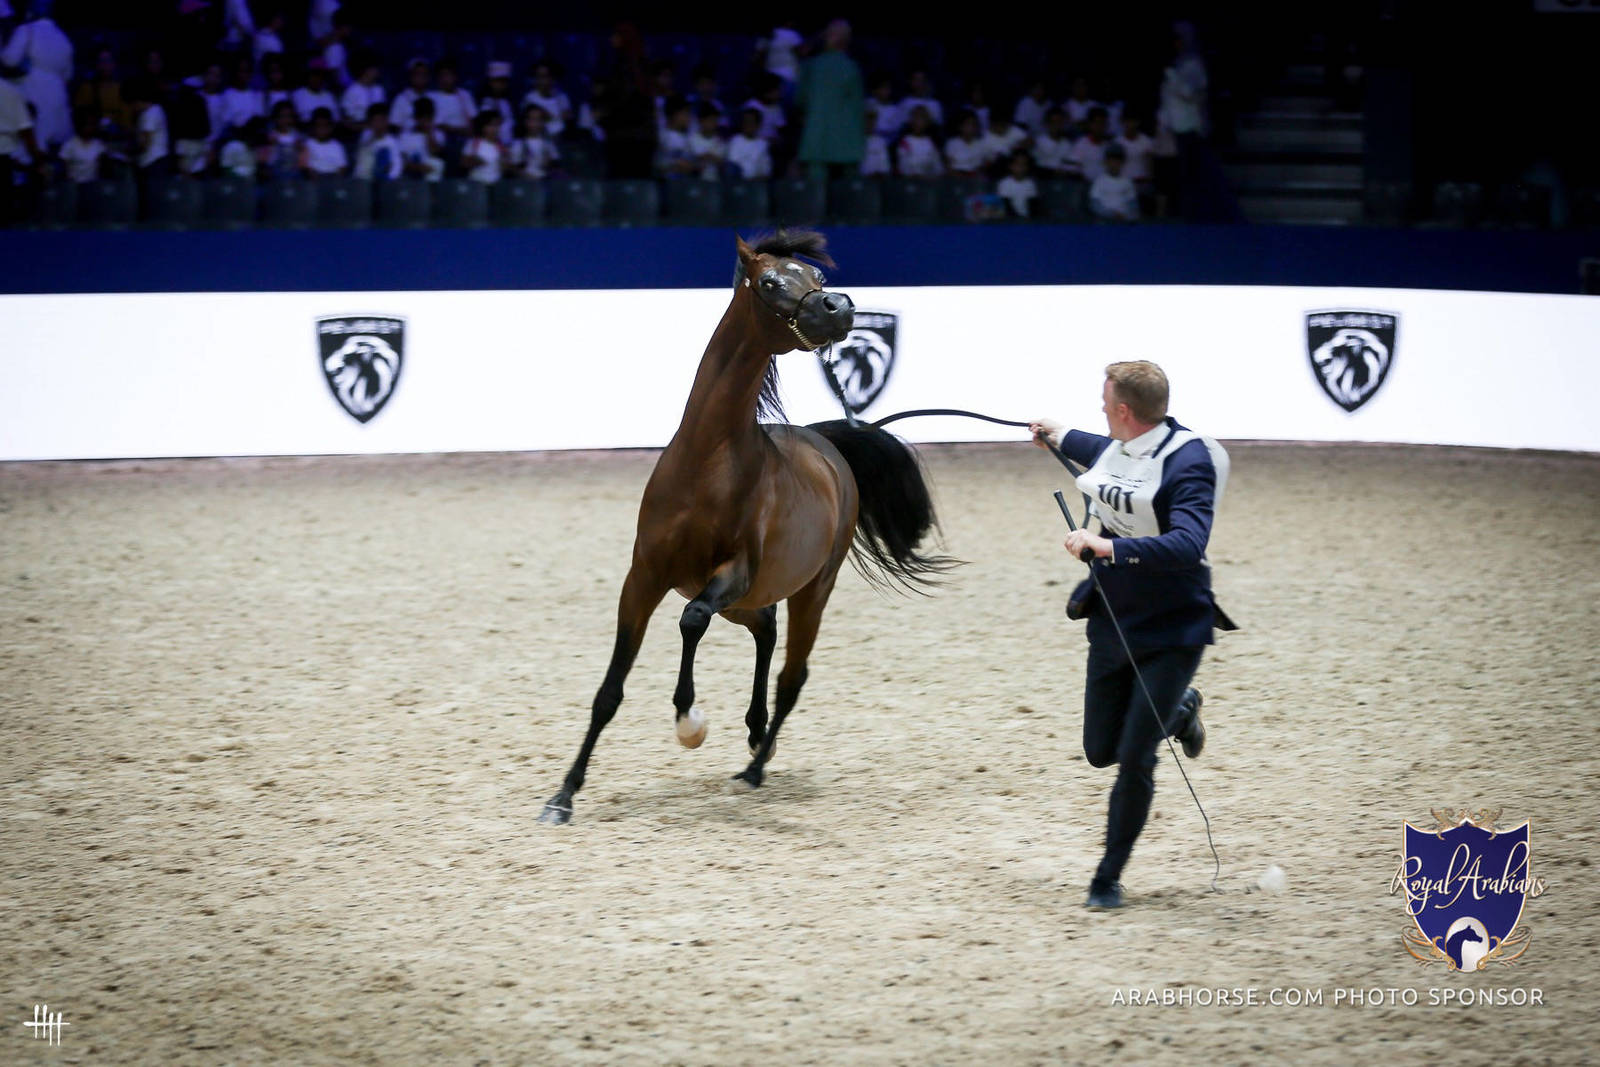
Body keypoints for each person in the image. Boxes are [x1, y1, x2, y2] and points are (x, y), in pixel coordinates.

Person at [1028, 362, 1230, 911]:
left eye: (1105, 402)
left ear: (1123, 410)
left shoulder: (1190, 461)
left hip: (1172, 626)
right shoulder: (1127, 440)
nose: (1099, 410)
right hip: (1113, 617)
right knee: (1101, 751)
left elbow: (1189, 543)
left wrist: (1106, 548)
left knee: (1137, 755)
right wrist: (1057, 433)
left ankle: (1107, 878)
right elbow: (1104, 452)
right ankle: (1180, 712)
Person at [794, 19, 862, 184]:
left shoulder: (810, 67)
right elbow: (858, 108)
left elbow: (799, 101)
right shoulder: (852, 68)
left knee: (816, 193)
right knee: (849, 193)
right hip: (847, 141)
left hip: (816, 138)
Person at [507, 103, 558, 179]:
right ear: (525, 122)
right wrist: (529, 177)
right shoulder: (518, 144)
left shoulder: (548, 143)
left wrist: (549, 164)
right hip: (526, 184)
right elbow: (514, 169)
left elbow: (554, 164)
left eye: (539, 120)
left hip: (546, 182)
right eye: (533, 120)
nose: (536, 124)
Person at [1089, 142, 1138, 221]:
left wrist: (1127, 216)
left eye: (1117, 161)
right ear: (1106, 162)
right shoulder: (1099, 181)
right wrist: (1111, 215)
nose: (1114, 164)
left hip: (1124, 223)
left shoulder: (1127, 182)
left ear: (1122, 162)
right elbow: (1094, 206)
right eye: (1111, 160)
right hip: (1104, 223)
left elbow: (1133, 206)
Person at [58, 106, 107, 183]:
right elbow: (63, 167)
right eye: (88, 125)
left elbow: (102, 167)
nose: (91, 128)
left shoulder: (98, 145)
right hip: (75, 186)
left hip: (93, 184)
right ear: (79, 126)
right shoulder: (69, 145)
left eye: (93, 125)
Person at [353, 101, 399, 180]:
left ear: (386, 121)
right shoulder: (365, 136)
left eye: (381, 120)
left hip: (385, 183)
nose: (378, 124)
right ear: (370, 122)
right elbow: (360, 166)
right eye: (375, 120)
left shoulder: (392, 141)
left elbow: (396, 167)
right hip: (364, 182)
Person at [894, 104, 942, 178]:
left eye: (922, 119)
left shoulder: (930, 142)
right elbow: (903, 164)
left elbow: (937, 166)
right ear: (911, 121)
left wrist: (931, 176)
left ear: (927, 122)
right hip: (910, 180)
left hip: (928, 181)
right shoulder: (905, 141)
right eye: (915, 118)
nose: (918, 122)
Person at [299, 105, 346, 175]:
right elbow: (304, 166)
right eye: (319, 126)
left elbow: (342, 168)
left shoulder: (337, 146)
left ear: (331, 127)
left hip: (333, 179)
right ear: (313, 127)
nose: (322, 130)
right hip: (314, 179)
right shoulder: (307, 144)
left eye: (325, 126)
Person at [725, 106, 771, 180]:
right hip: (738, 183)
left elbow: (766, 171)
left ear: (758, 125)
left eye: (751, 122)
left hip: (757, 183)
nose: (748, 125)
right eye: (746, 122)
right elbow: (732, 166)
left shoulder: (763, 144)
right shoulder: (735, 141)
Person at [388, 57, 431, 132]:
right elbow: (394, 125)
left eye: (423, 74)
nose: (420, 77)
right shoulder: (401, 99)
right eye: (417, 74)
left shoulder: (433, 97)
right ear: (410, 76)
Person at [460, 109, 503, 182]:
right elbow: (463, 163)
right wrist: (476, 162)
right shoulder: (473, 143)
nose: (495, 129)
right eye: (491, 125)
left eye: (497, 125)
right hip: (477, 184)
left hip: (496, 184)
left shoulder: (501, 146)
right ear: (482, 127)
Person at [1031, 106, 1075, 178]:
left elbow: (1070, 167)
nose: (1056, 125)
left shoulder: (1067, 144)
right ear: (1047, 123)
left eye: (1059, 122)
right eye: (1053, 122)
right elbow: (1034, 167)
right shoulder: (1038, 142)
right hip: (1042, 179)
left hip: (1061, 180)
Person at [687, 102, 725, 180]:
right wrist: (701, 158)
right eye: (710, 120)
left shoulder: (720, 142)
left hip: (715, 183)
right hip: (695, 182)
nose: (713, 123)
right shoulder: (692, 140)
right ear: (701, 121)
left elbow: (723, 165)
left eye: (715, 120)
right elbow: (688, 164)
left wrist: (716, 160)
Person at [943, 110, 986, 177]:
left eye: (974, 124)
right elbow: (948, 166)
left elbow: (982, 167)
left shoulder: (981, 144)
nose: (972, 127)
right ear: (960, 126)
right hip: (955, 178)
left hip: (975, 179)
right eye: (968, 124)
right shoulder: (951, 143)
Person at [996, 150, 1037, 218]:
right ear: (1011, 166)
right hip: (1009, 219)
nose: (1021, 168)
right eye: (1018, 164)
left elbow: (1033, 204)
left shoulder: (1030, 183)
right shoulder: (1004, 183)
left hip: (1027, 218)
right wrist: (1016, 219)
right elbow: (1005, 204)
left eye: (1024, 164)